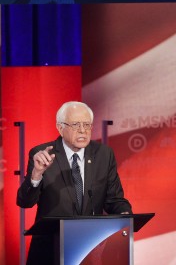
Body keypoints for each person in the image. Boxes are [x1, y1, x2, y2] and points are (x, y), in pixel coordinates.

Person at [17, 101, 132, 264]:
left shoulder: (103, 154)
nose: (83, 130)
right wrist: (37, 173)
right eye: (76, 125)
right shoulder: (42, 154)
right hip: (50, 251)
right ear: (60, 127)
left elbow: (114, 200)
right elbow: (25, 202)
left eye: (87, 124)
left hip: (89, 250)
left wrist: (126, 216)